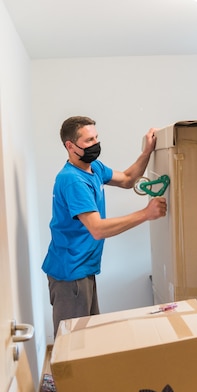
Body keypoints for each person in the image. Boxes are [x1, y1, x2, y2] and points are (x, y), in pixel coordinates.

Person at [41, 116, 167, 337]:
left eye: (96, 137)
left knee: (88, 339)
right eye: (89, 140)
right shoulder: (73, 180)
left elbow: (128, 179)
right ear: (70, 146)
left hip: (83, 268)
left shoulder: (94, 168)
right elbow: (97, 228)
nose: (96, 144)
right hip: (70, 274)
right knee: (72, 344)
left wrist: (147, 151)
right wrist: (145, 214)